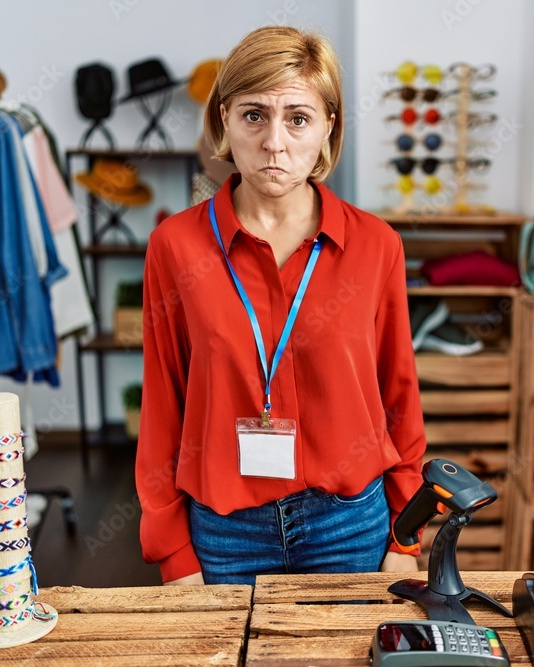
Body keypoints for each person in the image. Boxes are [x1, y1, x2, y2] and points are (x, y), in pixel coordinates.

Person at [135, 26, 426, 586]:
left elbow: (399, 395)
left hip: (350, 529)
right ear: (225, 119)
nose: (275, 142)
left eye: (298, 118)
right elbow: (163, 402)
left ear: (327, 127)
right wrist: (172, 550)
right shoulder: (175, 247)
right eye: (253, 115)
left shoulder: (376, 245)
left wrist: (405, 536)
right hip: (223, 533)